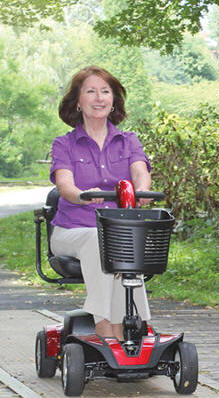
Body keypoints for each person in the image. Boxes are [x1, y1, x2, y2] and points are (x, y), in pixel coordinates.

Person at [50, 66, 152, 341]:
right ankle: (104, 322)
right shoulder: (64, 144)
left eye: (105, 92)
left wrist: (141, 191)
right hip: (72, 230)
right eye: (91, 92)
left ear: (114, 100)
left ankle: (133, 324)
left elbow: (141, 173)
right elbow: (65, 185)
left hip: (116, 229)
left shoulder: (128, 141)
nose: (99, 98)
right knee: (101, 239)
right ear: (78, 102)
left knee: (121, 240)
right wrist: (82, 195)